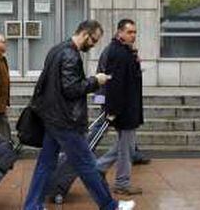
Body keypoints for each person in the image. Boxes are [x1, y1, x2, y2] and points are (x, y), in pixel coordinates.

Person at [24, 20, 135, 210]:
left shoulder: (56, 50)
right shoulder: (70, 55)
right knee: (87, 164)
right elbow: (71, 89)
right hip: (66, 121)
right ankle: (110, 206)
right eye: (93, 40)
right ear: (85, 34)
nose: (93, 45)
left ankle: (32, 206)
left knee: (45, 164)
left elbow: (47, 84)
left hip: (52, 118)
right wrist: (96, 81)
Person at [95, 19, 144, 196]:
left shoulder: (125, 51)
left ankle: (98, 169)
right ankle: (121, 182)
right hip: (123, 109)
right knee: (127, 147)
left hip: (127, 107)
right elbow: (114, 84)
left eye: (135, 32)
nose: (133, 36)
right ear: (120, 32)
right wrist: (112, 111)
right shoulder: (117, 53)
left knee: (124, 145)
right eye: (130, 32)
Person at [95, 37, 151, 167]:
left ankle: (134, 151)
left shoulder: (122, 51)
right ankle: (87, 149)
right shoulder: (112, 52)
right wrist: (101, 100)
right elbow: (107, 76)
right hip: (107, 96)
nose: (133, 37)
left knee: (126, 130)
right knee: (102, 126)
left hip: (109, 96)